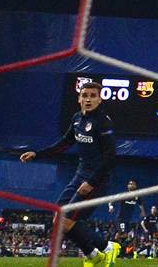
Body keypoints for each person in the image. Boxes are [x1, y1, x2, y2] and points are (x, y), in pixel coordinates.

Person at [20, 80, 120, 266]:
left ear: (100, 100)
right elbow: (64, 144)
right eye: (85, 96)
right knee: (59, 219)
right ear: (79, 98)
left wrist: (91, 182)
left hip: (97, 180)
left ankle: (107, 247)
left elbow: (110, 157)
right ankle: (93, 255)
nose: (88, 99)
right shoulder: (77, 119)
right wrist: (37, 154)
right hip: (80, 174)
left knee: (65, 221)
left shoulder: (103, 122)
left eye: (93, 96)